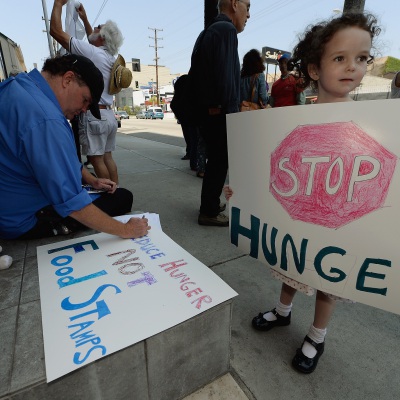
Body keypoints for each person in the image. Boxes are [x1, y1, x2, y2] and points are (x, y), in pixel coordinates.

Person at [226, 12, 380, 373]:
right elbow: (274, 170)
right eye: (340, 58)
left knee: (328, 281)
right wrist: (243, 193)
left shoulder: (371, 123)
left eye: (362, 58)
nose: (352, 67)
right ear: (314, 68)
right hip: (299, 212)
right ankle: (283, 312)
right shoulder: (296, 118)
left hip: (338, 220)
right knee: (291, 265)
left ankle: (316, 336)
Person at [0, 54, 150, 240]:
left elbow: (54, 158)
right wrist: (126, 230)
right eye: (85, 100)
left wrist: (91, 180)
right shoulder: (48, 120)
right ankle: (59, 227)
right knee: (121, 198)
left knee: (103, 190)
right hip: (21, 219)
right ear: (68, 79)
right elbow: (72, 204)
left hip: (8, 204)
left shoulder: (19, 84)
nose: (84, 109)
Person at [50, 0, 132, 185]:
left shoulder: (93, 55)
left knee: (96, 160)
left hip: (95, 116)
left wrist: (57, 5)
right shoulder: (109, 58)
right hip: (109, 115)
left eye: (98, 28)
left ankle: (106, 195)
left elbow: (56, 32)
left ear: (102, 38)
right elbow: (91, 39)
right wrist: (85, 19)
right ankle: (116, 192)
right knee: (108, 157)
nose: (94, 28)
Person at [194, 0, 250, 227]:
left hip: (207, 111)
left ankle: (210, 205)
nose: (249, 14)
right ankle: (208, 210)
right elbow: (228, 81)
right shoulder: (226, 30)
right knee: (219, 161)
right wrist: (233, 115)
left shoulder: (208, 31)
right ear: (235, 4)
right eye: (247, 6)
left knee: (215, 161)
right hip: (220, 112)